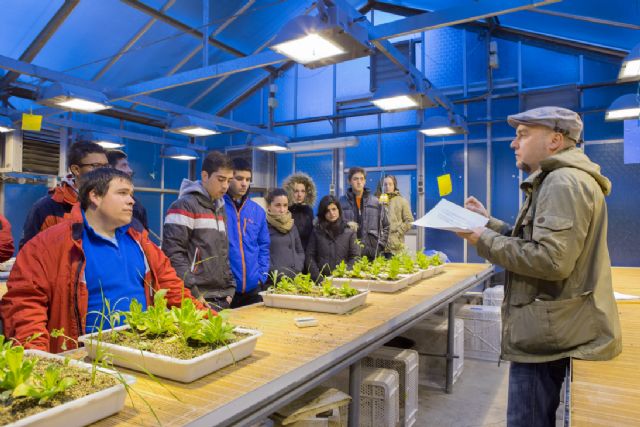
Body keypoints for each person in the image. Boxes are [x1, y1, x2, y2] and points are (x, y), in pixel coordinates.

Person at [456, 106, 622, 427]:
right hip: (552, 322)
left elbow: (550, 260)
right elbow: (532, 241)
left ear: (555, 141)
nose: (513, 143)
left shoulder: (563, 183)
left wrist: (481, 239)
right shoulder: (556, 180)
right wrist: (487, 223)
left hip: (547, 331)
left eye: (523, 135)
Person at [0, 168, 208, 353]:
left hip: (144, 348)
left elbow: (173, 289)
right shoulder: (47, 245)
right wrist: (36, 357)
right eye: (122, 193)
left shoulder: (141, 242)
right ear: (95, 197)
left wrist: (209, 320)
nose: (132, 200)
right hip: (85, 356)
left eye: (132, 194)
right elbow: (25, 305)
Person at [162, 151, 236, 310]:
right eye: (221, 179)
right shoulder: (184, 206)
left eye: (229, 181)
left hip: (222, 297)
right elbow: (173, 253)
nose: (225, 186)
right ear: (204, 175)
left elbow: (223, 252)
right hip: (197, 297)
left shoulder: (220, 207)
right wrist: (194, 292)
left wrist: (230, 288)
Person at [20, 141, 108, 248]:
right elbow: (28, 253)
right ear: (76, 169)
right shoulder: (47, 208)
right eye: (96, 166)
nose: (104, 172)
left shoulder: (114, 203)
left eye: (106, 166)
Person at [224, 158, 270, 308]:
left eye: (248, 179)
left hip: (253, 288)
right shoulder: (218, 207)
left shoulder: (257, 211)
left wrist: (261, 276)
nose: (244, 183)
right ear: (229, 179)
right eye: (239, 179)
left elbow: (264, 246)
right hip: (226, 291)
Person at [306, 195, 360, 281]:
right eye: (327, 211)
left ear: (339, 210)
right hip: (321, 280)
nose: (332, 213)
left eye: (334, 209)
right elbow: (310, 256)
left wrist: (343, 275)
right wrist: (318, 278)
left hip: (344, 280)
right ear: (323, 213)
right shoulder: (317, 231)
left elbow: (355, 257)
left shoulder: (349, 231)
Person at [340, 167, 389, 259]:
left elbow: (386, 225)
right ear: (349, 181)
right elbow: (337, 226)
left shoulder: (375, 202)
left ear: (365, 181)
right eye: (355, 179)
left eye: (361, 179)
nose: (359, 182)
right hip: (348, 252)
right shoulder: (341, 202)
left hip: (371, 252)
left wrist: (380, 246)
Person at [265, 188, 305, 280]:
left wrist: (298, 267)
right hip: (275, 279)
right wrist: (277, 273)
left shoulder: (291, 225)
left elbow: (300, 251)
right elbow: (263, 255)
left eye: (285, 205)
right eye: (278, 205)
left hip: (295, 276)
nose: (282, 210)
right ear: (269, 206)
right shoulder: (264, 227)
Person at [107, 149, 149, 230]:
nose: (130, 170)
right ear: (109, 168)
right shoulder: (100, 202)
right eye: (124, 165)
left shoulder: (137, 205)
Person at [375, 175, 414, 255]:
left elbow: (409, 221)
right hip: (378, 246)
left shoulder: (402, 201)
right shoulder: (376, 201)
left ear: (394, 186)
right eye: (385, 184)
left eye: (390, 184)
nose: (387, 186)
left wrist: (398, 233)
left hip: (395, 247)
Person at [282, 172, 316, 251]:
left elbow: (311, 235)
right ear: (290, 192)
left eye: (302, 191)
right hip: (290, 252)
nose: (299, 195)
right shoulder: (285, 210)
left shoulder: (309, 210)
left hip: (306, 252)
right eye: (296, 191)